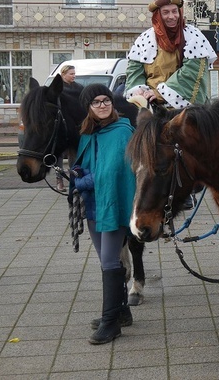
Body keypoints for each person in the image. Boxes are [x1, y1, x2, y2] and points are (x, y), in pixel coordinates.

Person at [70, 84, 136, 345]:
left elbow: (111, 173)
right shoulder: (88, 133)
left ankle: (110, 323)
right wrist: (76, 174)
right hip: (94, 206)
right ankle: (122, 312)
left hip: (113, 204)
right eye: (96, 102)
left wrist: (82, 182)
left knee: (109, 261)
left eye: (105, 100)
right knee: (107, 261)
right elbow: (83, 165)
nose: (102, 105)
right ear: (88, 107)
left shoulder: (121, 131)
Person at [125, 0, 217, 109]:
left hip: (186, 111)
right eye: (166, 12)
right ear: (157, 15)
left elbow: (192, 72)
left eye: (175, 11)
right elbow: (134, 70)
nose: (172, 16)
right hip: (152, 107)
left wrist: (160, 93)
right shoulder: (145, 38)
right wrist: (138, 89)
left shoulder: (193, 35)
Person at [56, 64, 84, 192]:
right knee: (59, 155)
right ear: (63, 74)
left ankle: (73, 180)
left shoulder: (78, 88)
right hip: (60, 127)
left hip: (75, 127)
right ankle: (59, 180)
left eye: (74, 73)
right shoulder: (56, 88)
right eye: (71, 73)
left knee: (74, 154)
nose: (74, 75)